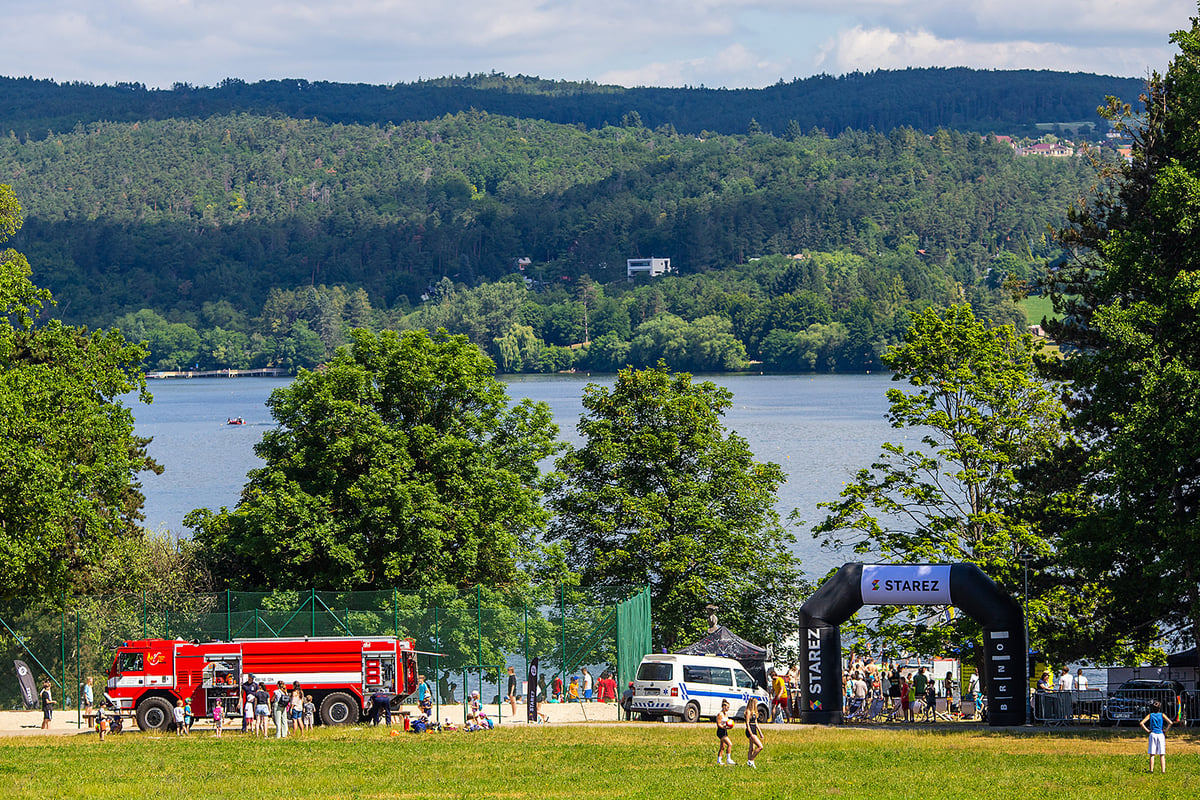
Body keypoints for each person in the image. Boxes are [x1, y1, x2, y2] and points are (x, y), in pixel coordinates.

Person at [1140, 700, 1173, 773]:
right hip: (1160, 734)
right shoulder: (1162, 715)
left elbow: (1141, 723)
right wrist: (1165, 730)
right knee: (1162, 754)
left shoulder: (1150, 715)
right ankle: (1163, 771)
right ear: (1159, 708)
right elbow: (1170, 722)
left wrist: (1148, 730)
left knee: (1152, 754)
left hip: (1153, 734)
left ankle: (1151, 770)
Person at [716, 699, 736, 766]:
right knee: (730, 744)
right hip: (720, 731)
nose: (728, 709)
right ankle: (728, 759)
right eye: (727, 707)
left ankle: (719, 760)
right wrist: (723, 727)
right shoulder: (720, 714)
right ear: (723, 706)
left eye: (728, 707)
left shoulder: (726, 714)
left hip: (725, 731)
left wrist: (729, 727)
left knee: (723, 746)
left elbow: (727, 722)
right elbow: (718, 724)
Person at [744, 701, 764, 769]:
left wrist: (760, 732)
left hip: (754, 729)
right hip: (750, 730)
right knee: (760, 746)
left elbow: (756, 723)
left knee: (752, 748)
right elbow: (747, 723)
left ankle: (750, 763)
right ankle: (751, 760)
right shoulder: (748, 712)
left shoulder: (755, 712)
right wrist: (751, 733)